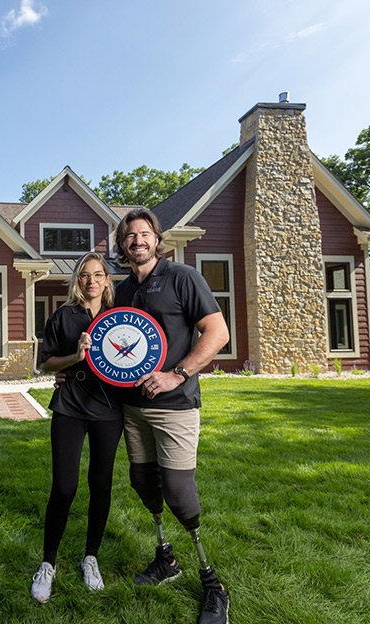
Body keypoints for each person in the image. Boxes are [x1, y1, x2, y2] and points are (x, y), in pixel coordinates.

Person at [114, 208, 231, 624]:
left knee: (180, 494)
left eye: (144, 234)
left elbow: (218, 333)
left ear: (157, 240)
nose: (137, 241)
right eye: (130, 236)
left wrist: (175, 374)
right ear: (121, 244)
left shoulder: (183, 277)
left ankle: (213, 582)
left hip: (175, 407)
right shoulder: (123, 290)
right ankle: (166, 558)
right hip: (132, 410)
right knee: (144, 484)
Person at [30, 251, 123, 603]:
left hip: (109, 408)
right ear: (77, 280)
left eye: (98, 274)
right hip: (70, 405)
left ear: (106, 280)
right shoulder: (64, 316)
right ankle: (48, 564)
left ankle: (91, 557)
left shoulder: (119, 317)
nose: (91, 281)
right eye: (85, 275)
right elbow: (45, 363)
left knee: (101, 483)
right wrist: (75, 356)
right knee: (65, 486)